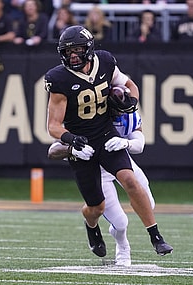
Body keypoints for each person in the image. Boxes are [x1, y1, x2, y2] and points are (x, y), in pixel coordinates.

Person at [44, 25, 173, 258]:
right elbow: (53, 126)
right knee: (96, 208)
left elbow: (130, 85)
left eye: (78, 50)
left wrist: (131, 102)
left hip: (105, 134)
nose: (73, 55)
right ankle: (91, 227)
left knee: (130, 181)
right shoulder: (59, 79)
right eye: (68, 51)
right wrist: (72, 140)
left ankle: (156, 236)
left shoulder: (105, 62)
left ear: (89, 48)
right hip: (82, 144)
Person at [48, 110, 155, 266]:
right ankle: (123, 246)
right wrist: (71, 149)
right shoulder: (82, 118)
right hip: (99, 171)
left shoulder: (128, 116)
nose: (121, 110)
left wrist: (127, 143)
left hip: (122, 163)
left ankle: (154, 235)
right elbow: (53, 150)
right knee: (120, 222)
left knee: (149, 205)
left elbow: (139, 144)